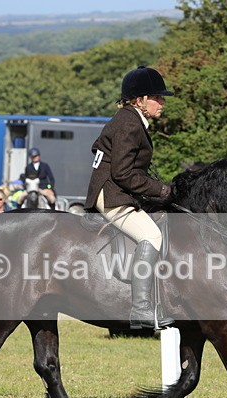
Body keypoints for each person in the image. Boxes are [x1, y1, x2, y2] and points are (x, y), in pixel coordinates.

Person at [85, 65, 174, 330]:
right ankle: (141, 308)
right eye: (157, 97)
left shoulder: (131, 120)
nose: (162, 102)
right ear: (140, 100)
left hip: (119, 188)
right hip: (111, 192)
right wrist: (160, 190)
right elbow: (123, 173)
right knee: (152, 236)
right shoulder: (129, 124)